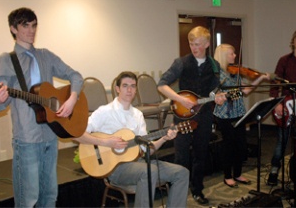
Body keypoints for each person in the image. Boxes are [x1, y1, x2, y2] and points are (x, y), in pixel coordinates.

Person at [0, 7, 84, 207]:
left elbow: (76, 75)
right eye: (25, 25)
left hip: (50, 135)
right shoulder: (7, 60)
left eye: (34, 25)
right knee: (28, 200)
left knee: (50, 197)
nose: (31, 30)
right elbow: (1, 100)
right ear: (13, 29)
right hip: (27, 139)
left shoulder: (46, 55)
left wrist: (72, 99)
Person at [75, 71, 189, 207]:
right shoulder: (104, 111)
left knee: (181, 173)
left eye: (133, 86)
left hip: (139, 162)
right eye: (125, 86)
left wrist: (164, 138)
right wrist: (106, 142)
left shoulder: (138, 115)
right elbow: (77, 134)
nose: (129, 90)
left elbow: (148, 150)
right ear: (117, 89)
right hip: (115, 169)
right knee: (149, 171)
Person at [157, 26, 226, 205]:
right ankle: (177, 193)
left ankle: (197, 190)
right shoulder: (181, 62)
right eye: (191, 44)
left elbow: (215, 91)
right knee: (181, 156)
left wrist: (218, 98)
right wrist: (179, 98)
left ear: (207, 44)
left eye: (197, 44)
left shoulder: (215, 65)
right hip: (183, 115)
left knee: (200, 154)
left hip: (204, 116)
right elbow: (162, 84)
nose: (194, 48)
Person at [213, 44, 270, 188]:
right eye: (231, 54)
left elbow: (246, 91)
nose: (235, 56)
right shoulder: (217, 74)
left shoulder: (235, 72)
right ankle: (227, 176)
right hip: (225, 115)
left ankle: (237, 174)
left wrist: (260, 79)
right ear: (223, 56)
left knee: (241, 145)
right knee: (229, 146)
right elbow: (223, 96)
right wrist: (235, 92)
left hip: (239, 112)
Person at [267, 29, 296, 186]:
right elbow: (275, 83)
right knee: (282, 141)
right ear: (293, 42)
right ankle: (274, 171)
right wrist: (276, 102)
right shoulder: (284, 60)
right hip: (285, 105)